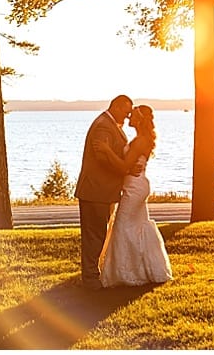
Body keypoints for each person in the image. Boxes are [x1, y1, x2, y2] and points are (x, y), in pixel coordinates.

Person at [100, 104, 173, 287]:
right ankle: (141, 269)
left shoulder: (141, 141)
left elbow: (125, 166)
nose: (128, 117)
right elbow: (128, 165)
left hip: (135, 188)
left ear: (139, 120)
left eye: (132, 115)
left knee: (122, 226)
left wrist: (106, 150)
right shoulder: (140, 139)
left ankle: (126, 274)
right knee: (134, 226)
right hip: (134, 185)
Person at [74, 95, 141, 290]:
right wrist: (126, 169)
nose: (128, 116)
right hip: (96, 190)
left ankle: (93, 274)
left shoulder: (109, 124)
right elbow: (102, 158)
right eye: (126, 112)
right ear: (117, 107)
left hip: (102, 190)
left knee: (98, 234)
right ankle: (90, 279)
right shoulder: (103, 126)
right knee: (94, 235)